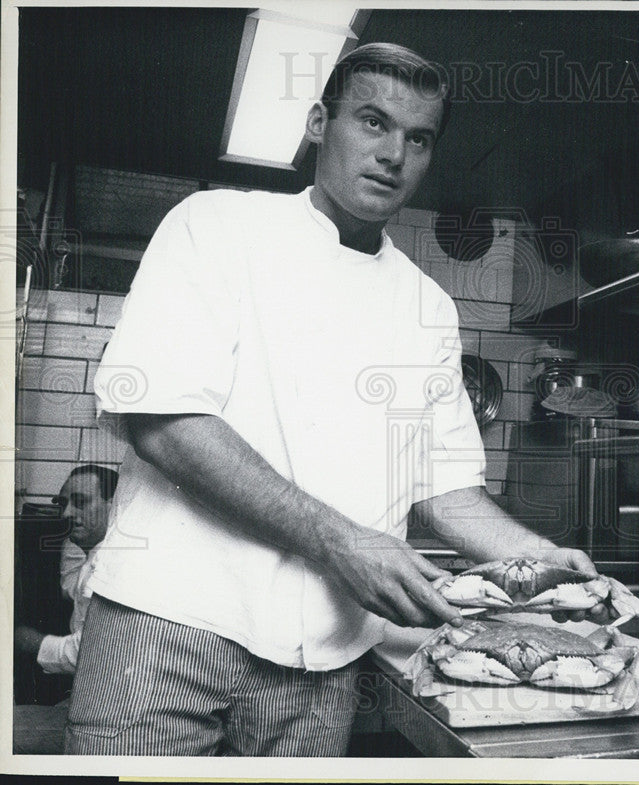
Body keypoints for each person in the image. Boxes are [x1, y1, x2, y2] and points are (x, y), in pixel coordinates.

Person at [67, 43, 606, 757]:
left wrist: (540, 560)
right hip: (167, 626)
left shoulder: (429, 306)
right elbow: (163, 422)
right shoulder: (217, 226)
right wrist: (344, 542)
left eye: (418, 138)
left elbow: (446, 490)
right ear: (321, 121)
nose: (394, 154)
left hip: (324, 661)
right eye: (374, 122)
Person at [12, 464, 118, 754]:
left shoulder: (114, 569)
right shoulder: (98, 553)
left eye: (81, 502)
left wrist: (29, 642)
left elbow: (89, 655)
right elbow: (70, 584)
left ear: (116, 504)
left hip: (110, 718)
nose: (67, 513)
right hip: (87, 699)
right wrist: (78, 534)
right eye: (63, 503)